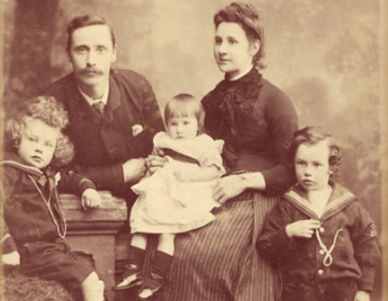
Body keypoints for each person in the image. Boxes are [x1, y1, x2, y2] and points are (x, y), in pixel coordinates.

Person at [148, 3, 298, 300]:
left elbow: (290, 170)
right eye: (218, 40)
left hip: (257, 201)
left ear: (254, 46)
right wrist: (162, 162)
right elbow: (195, 152)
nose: (222, 49)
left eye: (232, 41)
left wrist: (242, 181)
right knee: (164, 242)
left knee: (194, 252)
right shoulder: (209, 101)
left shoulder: (275, 100)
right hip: (212, 191)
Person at [113, 94, 225, 299]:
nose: (179, 129)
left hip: (184, 190)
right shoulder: (164, 140)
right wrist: (151, 167)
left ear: (198, 123)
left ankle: (156, 276)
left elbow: (215, 170)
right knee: (141, 225)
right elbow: (154, 161)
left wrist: (191, 176)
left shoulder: (203, 144)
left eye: (185, 123)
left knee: (167, 232)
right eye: (174, 124)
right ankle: (132, 270)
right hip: (161, 187)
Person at [43, 14, 164, 204]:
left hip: (144, 204)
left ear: (114, 53)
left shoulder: (138, 87)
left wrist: (158, 163)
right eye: (82, 50)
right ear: (69, 54)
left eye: (100, 49)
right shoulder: (52, 101)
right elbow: (49, 172)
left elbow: (163, 145)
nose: (91, 60)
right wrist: (121, 173)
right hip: (82, 209)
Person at [257, 126, 380, 301]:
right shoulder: (287, 206)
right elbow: (265, 246)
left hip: (343, 293)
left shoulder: (349, 205)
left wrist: (365, 290)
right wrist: (288, 232)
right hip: (298, 293)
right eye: (301, 163)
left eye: (316, 165)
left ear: (331, 167)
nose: (308, 172)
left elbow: (367, 246)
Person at [1, 95, 105, 301]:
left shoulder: (46, 173)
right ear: (17, 138)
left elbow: (69, 178)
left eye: (48, 144)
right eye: (33, 140)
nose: (39, 148)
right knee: (90, 280)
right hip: (30, 251)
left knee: (93, 280)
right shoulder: (9, 172)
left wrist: (87, 189)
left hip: (51, 249)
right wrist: (6, 246)